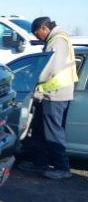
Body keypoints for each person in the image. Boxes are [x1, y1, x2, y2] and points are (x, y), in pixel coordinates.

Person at [19, 17, 78, 179]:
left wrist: (33, 79)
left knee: (53, 132)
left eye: (37, 34)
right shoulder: (56, 39)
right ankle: (40, 163)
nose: (38, 38)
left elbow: (50, 69)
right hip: (48, 94)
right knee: (39, 131)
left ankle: (62, 167)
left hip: (55, 95)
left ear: (44, 28)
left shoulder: (57, 41)